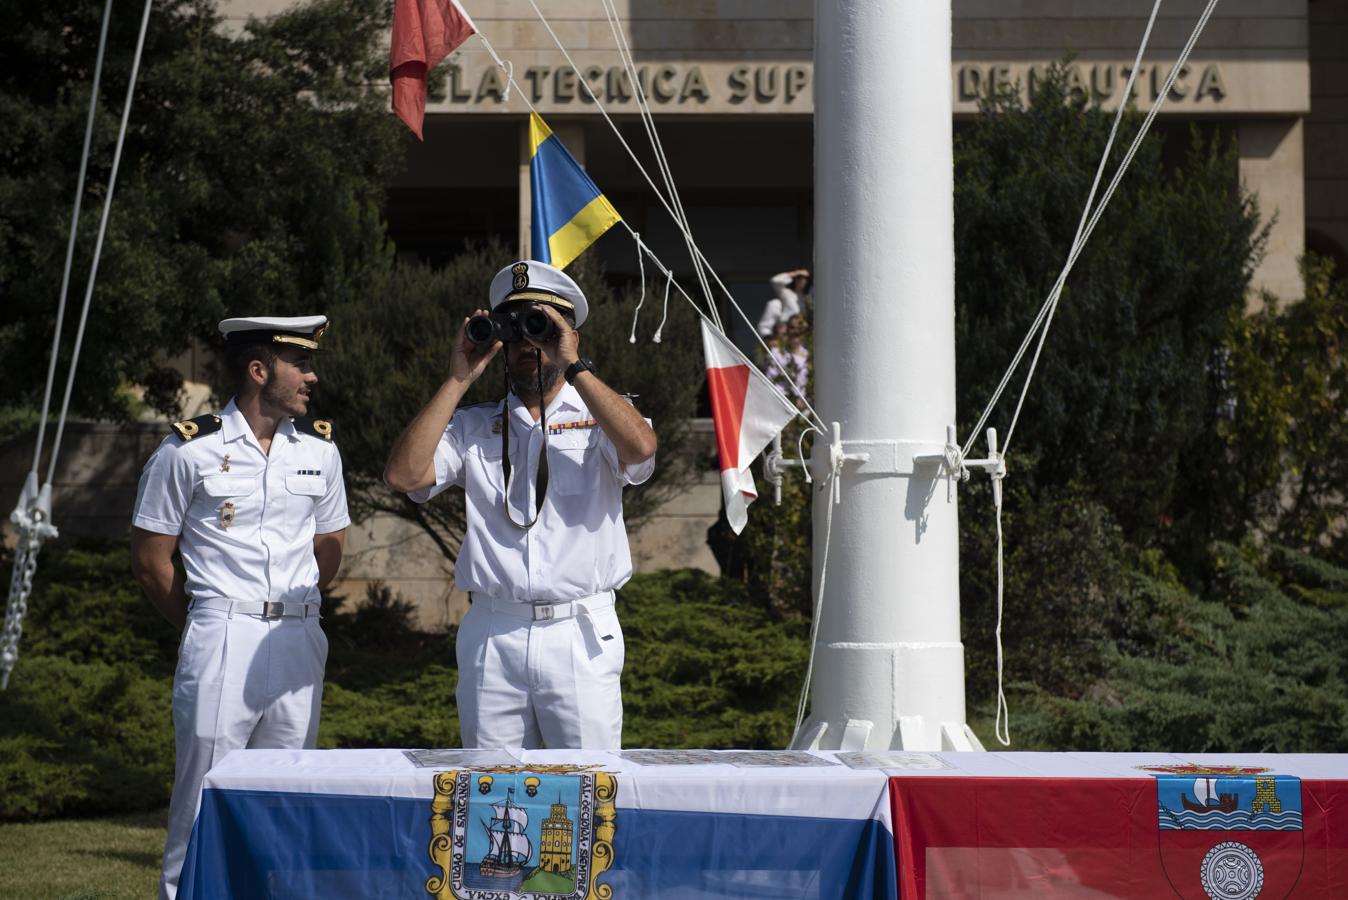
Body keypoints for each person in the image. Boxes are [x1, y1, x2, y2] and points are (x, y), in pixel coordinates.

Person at [384, 260, 657, 750]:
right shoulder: (474, 427)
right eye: (516, 332)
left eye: (542, 329)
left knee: (586, 794)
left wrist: (574, 367)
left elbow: (641, 449)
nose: (528, 346)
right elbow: (404, 475)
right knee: (491, 798)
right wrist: (458, 379)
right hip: (493, 629)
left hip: (579, 632)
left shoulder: (602, 419)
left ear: (571, 337)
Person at [130, 316, 349, 900]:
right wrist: (212, 619)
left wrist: (290, 606)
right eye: (299, 365)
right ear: (259, 371)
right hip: (223, 632)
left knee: (285, 797)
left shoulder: (321, 449)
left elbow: (330, 545)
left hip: (299, 637)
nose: (312, 375)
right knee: (203, 795)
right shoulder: (188, 449)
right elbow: (153, 561)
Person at [756, 267, 812, 337]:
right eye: (799, 277)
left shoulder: (808, 298)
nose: (802, 280)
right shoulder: (786, 293)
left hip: (801, 335)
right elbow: (775, 281)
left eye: (806, 278)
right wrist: (795, 273)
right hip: (785, 333)